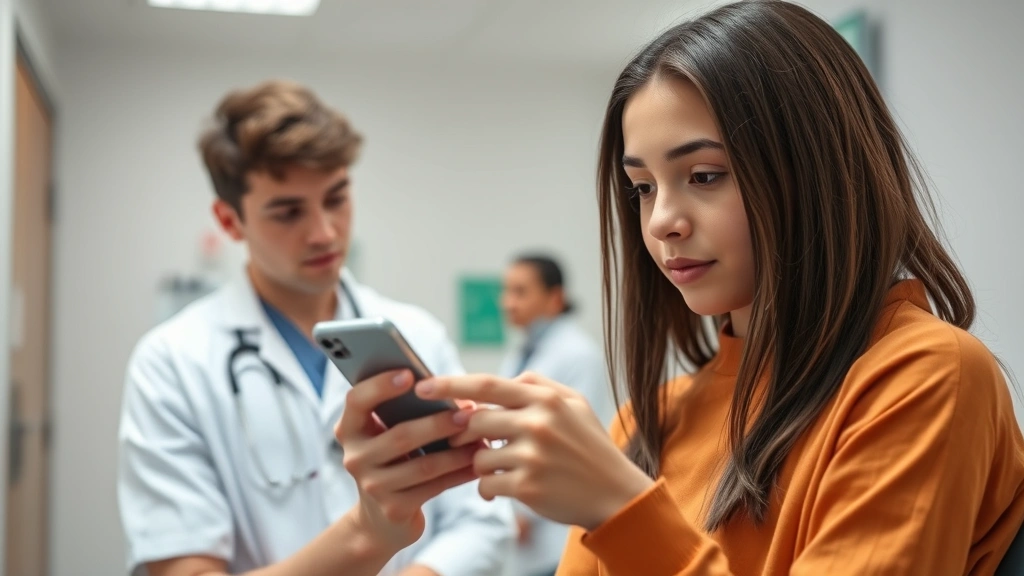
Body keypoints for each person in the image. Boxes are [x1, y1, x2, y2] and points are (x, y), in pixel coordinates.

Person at [364, 2, 1024, 574]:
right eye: (643, 187)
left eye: (704, 175)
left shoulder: (925, 376)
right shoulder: (648, 421)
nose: (661, 222)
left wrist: (621, 509)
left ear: (816, 169)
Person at [117, 80, 514, 576]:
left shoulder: (418, 334)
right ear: (229, 220)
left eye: (336, 198)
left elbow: (484, 518)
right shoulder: (173, 361)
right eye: (288, 212)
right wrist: (367, 538)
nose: (324, 232)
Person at [498, 254, 614, 576]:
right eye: (506, 291)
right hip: (523, 528)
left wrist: (524, 510)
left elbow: (568, 441)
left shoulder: (578, 355)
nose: (508, 302)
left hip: (554, 527)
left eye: (520, 292)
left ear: (555, 298)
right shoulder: (520, 354)